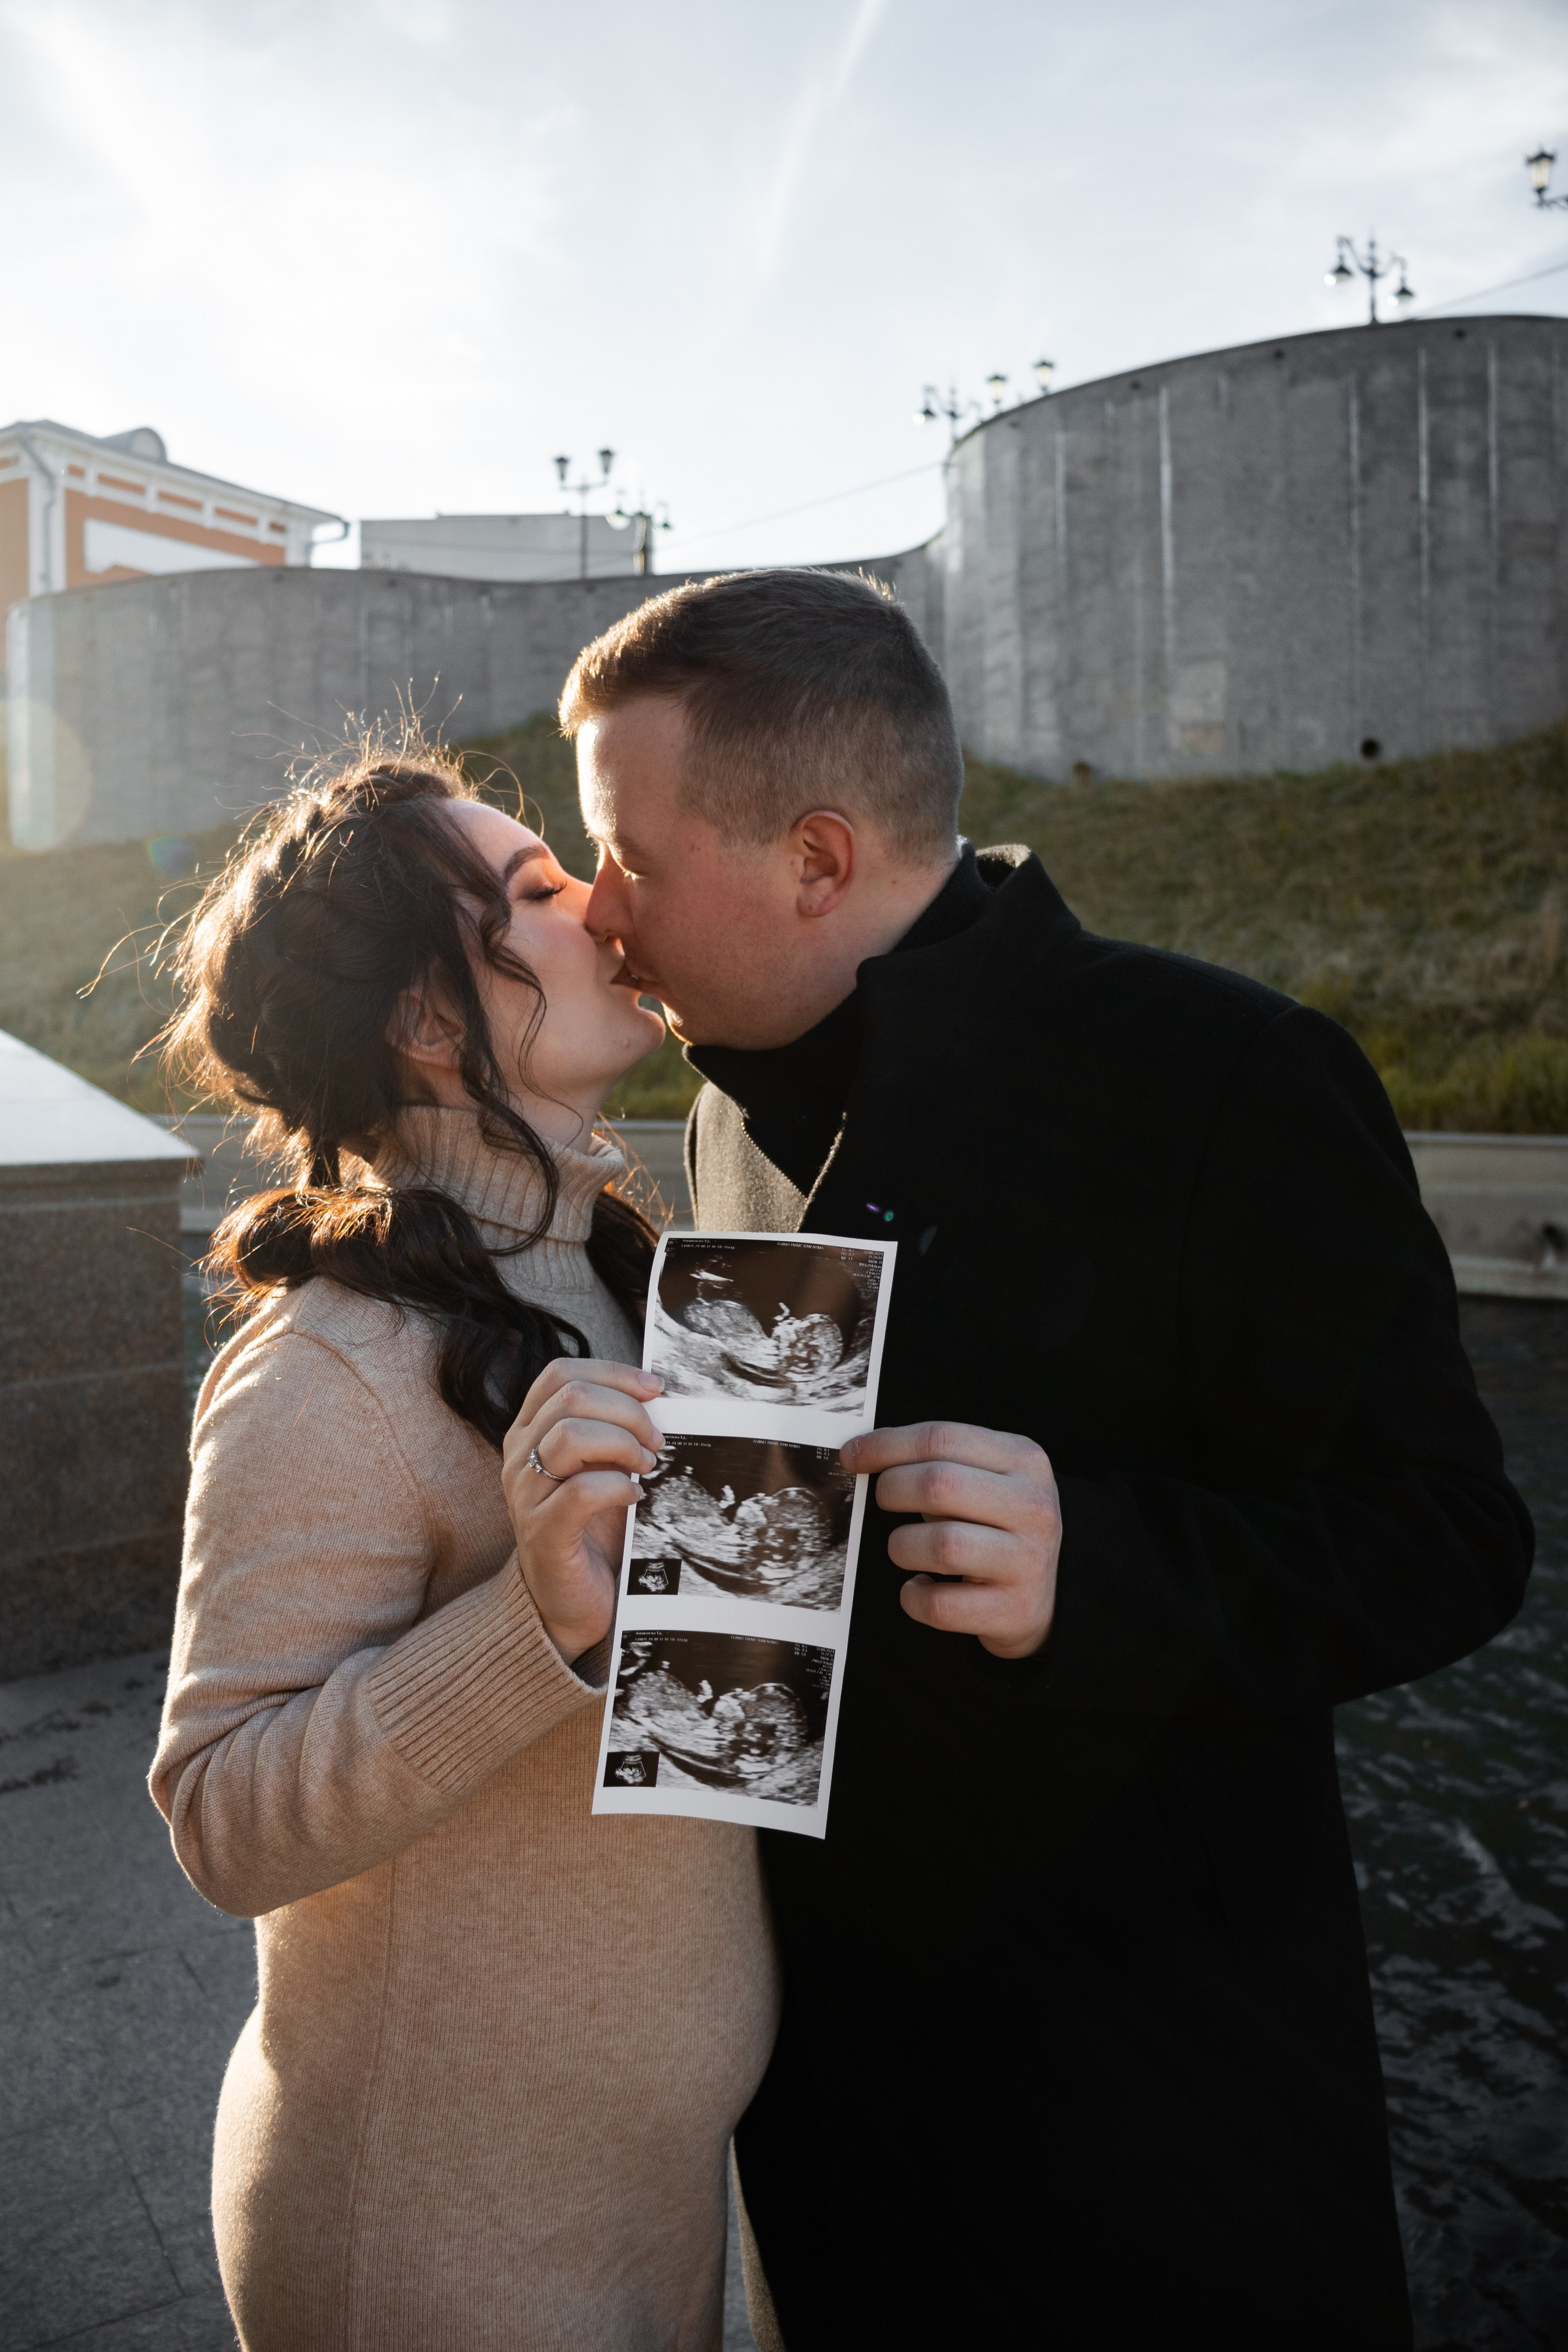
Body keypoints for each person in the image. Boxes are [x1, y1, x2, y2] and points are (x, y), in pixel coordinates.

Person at [559, 568, 1533, 2352]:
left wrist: (1105, 1562)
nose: (593, 904)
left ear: (817, 860)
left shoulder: (1229, 1071)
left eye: (627, 849)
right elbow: (746, 1638)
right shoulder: (717, 1112)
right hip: (834, 2118)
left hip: (1157, 2145)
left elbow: (1455, 1538)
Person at [149, 741, 777, 2351]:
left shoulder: (635, 1273)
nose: (602, 901)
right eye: (538, 891)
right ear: (432, 1022)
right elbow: (223, 1815)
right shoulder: (321, 1368)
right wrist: (533, 1630)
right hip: (436, 2239)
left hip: (651, 2198)